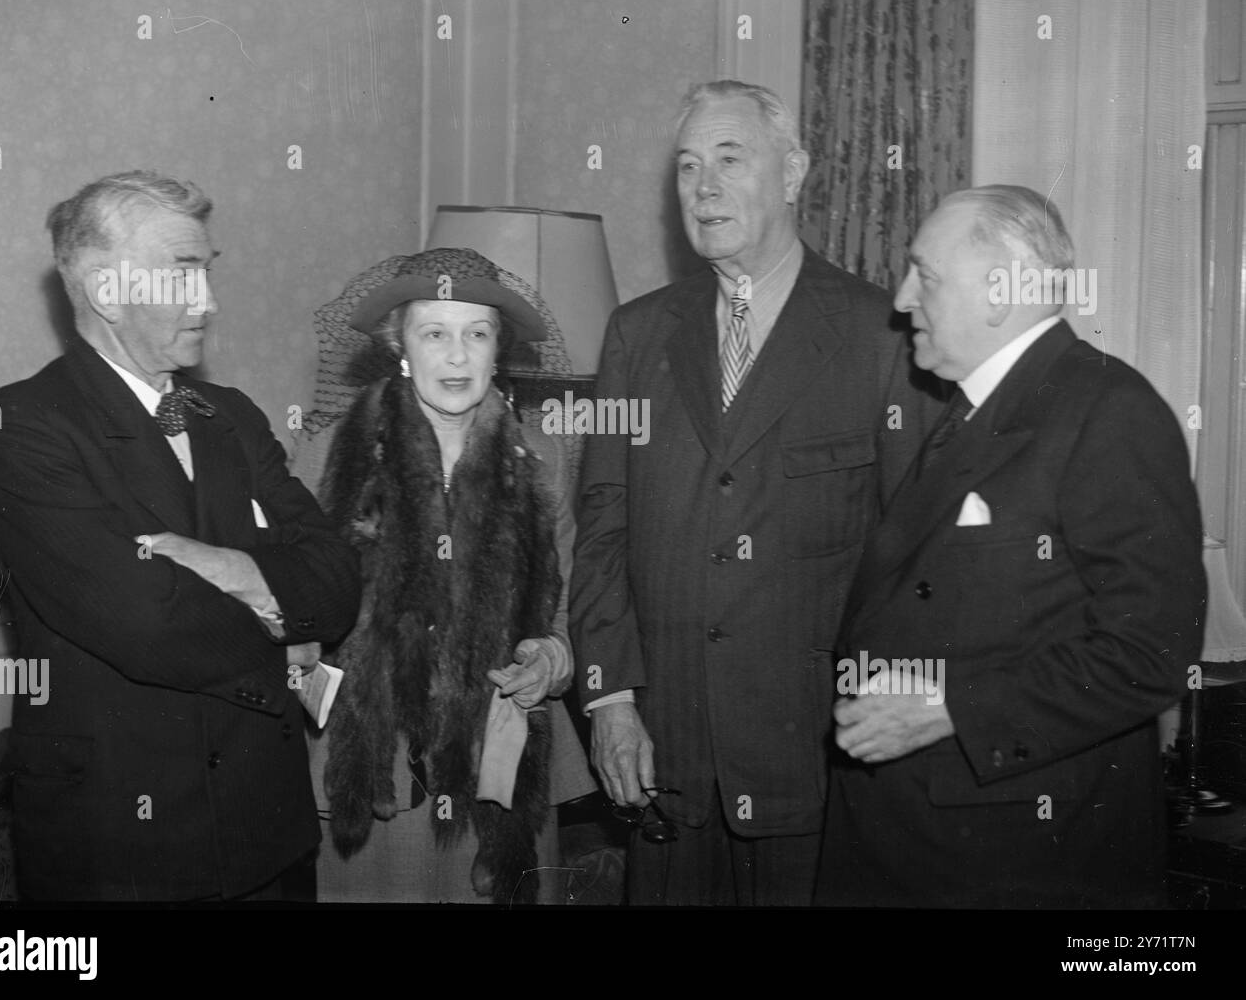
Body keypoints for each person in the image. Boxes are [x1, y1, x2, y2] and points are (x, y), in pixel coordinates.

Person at [569, 79, 938, 905]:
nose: (703, 188)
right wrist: (611, 701)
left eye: (730, 160)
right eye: (689, 167)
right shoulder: (637, 335)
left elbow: (916, 562)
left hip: (814, 766)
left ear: (795, 171)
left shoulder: (883, 338)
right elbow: (603, 525)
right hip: (666, 758)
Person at [0, 170, 360, 900]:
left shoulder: (232, 414)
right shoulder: (23, 425)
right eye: (184, 276)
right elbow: (148, 623)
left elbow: (339, 580)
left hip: (269, 838)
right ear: (105, 292)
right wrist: (286, 617)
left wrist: (229, 570)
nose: (209, 302)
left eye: (207, 275)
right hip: (121, 846)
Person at [815, 185, 1206, 908]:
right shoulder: (970, 409)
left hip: (1015, 861)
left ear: (1001, 291)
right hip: (918, 837)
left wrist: (947, 707)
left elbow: (1154, 652)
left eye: (924, 275)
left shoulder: (1109, 411)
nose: (902, 300)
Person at [314, 246, 593, 904]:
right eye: (435, 334)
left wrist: (550, 658)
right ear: (399, 345)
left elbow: (567, 615)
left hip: (503, 760)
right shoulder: (333, 455)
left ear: (500, 349)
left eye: (478, 334)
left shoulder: (543, 460)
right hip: (381, 768)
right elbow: (297, 615)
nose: (459, 356)